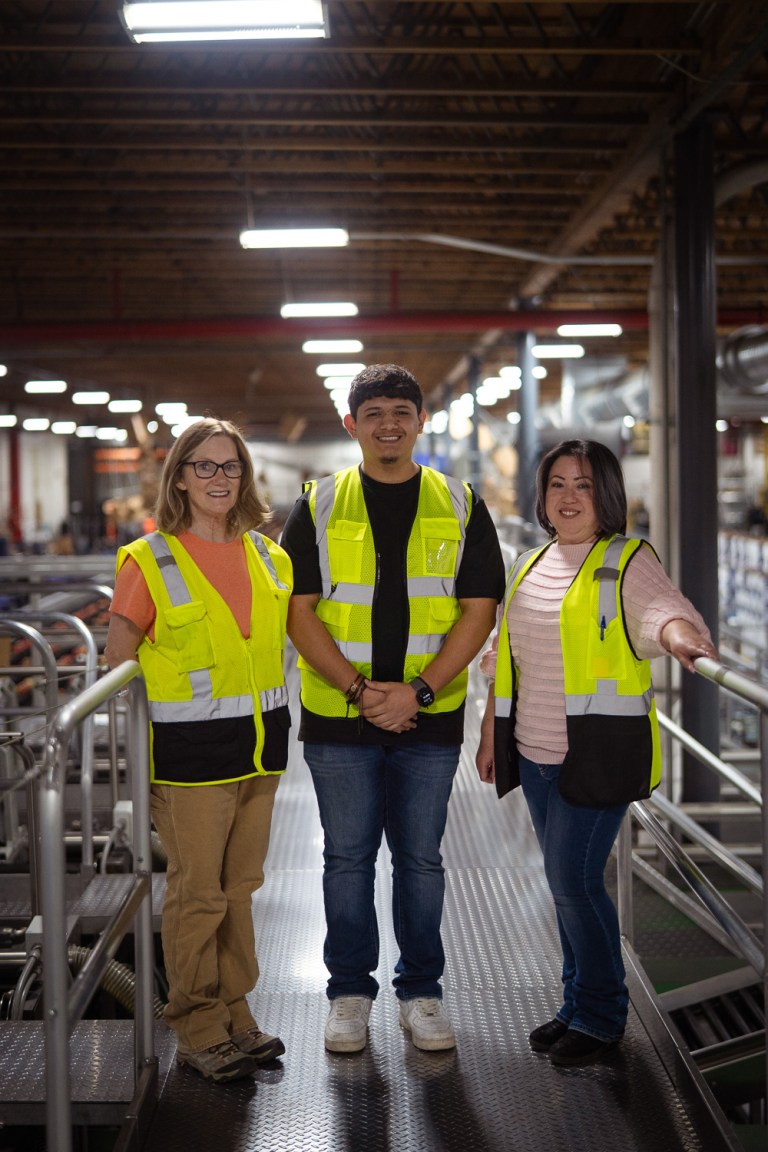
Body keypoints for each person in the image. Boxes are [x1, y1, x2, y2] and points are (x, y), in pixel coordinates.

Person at [281, 364, 505, 1054]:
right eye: (373, 412)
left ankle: (422, 993)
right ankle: (349, 993)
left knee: (420, 859)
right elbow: (297, 609)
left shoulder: (460, 501)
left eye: (400, 412)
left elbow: (479, 609)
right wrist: (358, 690)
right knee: (347, 858)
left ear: (419, 421)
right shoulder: (316, 504)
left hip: (429, 717)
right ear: (351, 425)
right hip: (337, 716)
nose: (388, 424)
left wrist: (420, 692)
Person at [475, 439, 717, 1067]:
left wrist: (683, 636)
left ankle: (603, 1018)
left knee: (574, 883)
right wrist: (487, 731)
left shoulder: (627, 560)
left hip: (597, 755)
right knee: (566, 888)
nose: (568, 496)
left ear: (606, 494)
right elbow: (507, 653)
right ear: (542, 497)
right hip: (534, 753)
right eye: (557, 484)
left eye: (583, 484)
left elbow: (662, 609)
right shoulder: (530, 563)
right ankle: (575, 1005)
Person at [104, 417, 293, 1083]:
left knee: (241, 889)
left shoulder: (272, 558)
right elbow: (118, 668)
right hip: (188, 762)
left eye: (230, 466)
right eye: (204, 466)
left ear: (245, 476)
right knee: (198, 894)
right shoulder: (149, 561)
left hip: (261, 753)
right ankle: (197, 1025)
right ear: (179, 477)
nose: (219, 478)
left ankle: (237, 1012)